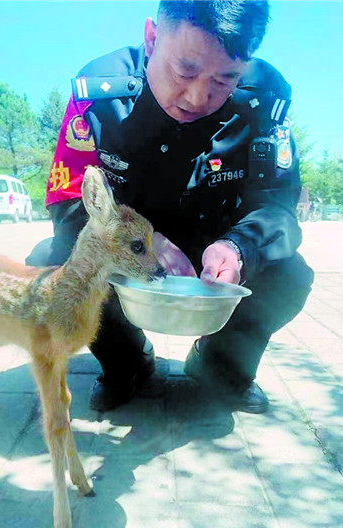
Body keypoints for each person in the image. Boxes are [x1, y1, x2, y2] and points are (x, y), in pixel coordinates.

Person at [27, 0, 314, 413]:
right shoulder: (97, 94)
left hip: (215, 254)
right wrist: (142, 242)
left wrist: (238, 249)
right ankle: (127, 364)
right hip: (130, 249)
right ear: (151, 37)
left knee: (289, 273)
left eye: (225, 79)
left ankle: (221, 366)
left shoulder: (265, 99)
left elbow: (277, 207)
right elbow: (70, 203)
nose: (199, 97)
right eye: (185, 71)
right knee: (52, 262)